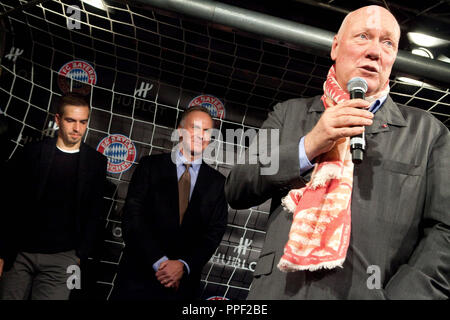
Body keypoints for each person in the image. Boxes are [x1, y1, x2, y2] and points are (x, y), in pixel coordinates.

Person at [225, 5, 450, 299]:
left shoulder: (429, 133)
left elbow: (444, 232)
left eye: (387, 43)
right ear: (335, 47)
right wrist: (310, 145)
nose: (374, 51)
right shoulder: (287, 114)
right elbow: (238, 185)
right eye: (363, 36)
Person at [110, 105, 228, 300]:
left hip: (182, 286)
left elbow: (214, 233)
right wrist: (160, 262)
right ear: (180, 132)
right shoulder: (150, 166)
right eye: (195, 128)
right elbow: (133, 217)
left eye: (207, 131)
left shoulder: (218, 183)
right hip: (138, 277)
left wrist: (183, 265)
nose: (201, 135)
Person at [0, 92, 107, 300]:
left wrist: (78, 257)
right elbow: (10, 204)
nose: (77, 128)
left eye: (83, 122)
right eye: (71, 120)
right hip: (20, 253)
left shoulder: (96, 163)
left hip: (63, 258)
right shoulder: (32, 152)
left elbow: (94, 213)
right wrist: (2, 252)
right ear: (57, 119)